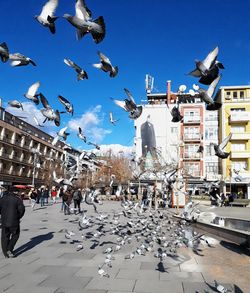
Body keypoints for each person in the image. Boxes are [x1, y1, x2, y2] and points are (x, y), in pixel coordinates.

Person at [0, 187, 25, 258]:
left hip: (4, 221)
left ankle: (5, 253)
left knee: (4, 237)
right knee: (16, 235)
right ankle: (9, 249)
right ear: (15, 192)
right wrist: (18, 217)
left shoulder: (2, 199)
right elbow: (22, 210)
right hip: (14, 221)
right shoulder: (18, 199)